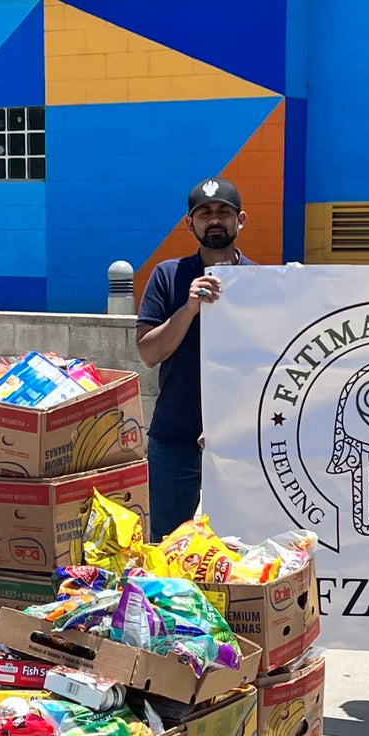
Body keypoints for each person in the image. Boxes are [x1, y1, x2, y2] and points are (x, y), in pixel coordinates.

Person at [136, 178, 255, 542]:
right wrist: (188, 309)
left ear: (241, 220)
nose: (214, 220)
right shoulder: (167, 276)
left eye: (224, 212)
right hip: (173, 442)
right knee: (168, 548)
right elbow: (149, 353)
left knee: (240, 549)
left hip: (240, 443)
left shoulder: (260, 282)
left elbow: (267, 366)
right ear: (190, 224)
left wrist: (226, 423)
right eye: (204, 213)